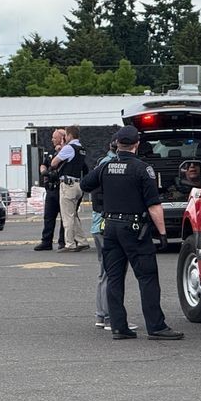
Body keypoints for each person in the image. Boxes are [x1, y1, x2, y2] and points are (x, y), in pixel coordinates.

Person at [81, 125, 183, 340]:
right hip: (134, 229)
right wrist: (163, 234)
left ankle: (119, 326)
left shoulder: (105, 167)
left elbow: (85, 184)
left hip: (110, 228)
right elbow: (154, 205)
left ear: (117, 144)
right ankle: (156, 327)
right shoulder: (142, 169)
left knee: (115, 277)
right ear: (137, 144)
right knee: (147, 277)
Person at [90, 140, 137, 332]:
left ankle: (102, 315)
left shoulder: (102, 164)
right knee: (113, 273)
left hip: (98, 225)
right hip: (107, 225)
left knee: (105, 272)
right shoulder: (110, 167)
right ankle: (110, 316)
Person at [50, 125, 89, 252]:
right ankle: (82, 241)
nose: (64, 138)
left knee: (67, 216)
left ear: (70, 135)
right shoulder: (81, 149)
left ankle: (69, 243)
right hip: (78, 184)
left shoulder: (69, 148)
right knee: (74, 215)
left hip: (67, 184)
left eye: (65, 135)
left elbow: (54, 162)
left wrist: (61, 147)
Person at [34, 129, 67, 251]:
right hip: (51, 188)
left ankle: (63, 241)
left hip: (61, 188)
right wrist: (43, 171)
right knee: (48, 217)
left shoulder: (66, 152)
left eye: (55, 137)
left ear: (62, 138)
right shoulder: (50, 152)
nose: (52, 140)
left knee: (65, 217)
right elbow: (44, 164)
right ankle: (46, 241)